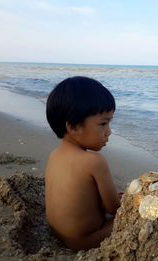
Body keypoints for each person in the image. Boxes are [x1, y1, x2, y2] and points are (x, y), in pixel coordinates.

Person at [45, 76, 120, 250]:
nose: (109, 132)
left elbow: (79, 195)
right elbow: (114, 208)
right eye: (103, 123)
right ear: (74, 127)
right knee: (136, 216)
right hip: (84, 241)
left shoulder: (54, 155)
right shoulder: (94, 162)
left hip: (57, 232)